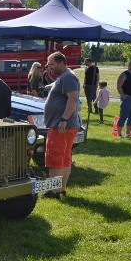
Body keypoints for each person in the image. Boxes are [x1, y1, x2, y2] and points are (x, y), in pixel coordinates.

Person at [42, 51, 81, 198]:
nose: (49, 67)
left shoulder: (68, 77)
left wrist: (63, 120)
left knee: (54, 158)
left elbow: (73, 99)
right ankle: (61, 188)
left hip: (61, 126)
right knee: (64, 158)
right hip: (65, 125)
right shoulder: (65, 77)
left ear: (61, 63)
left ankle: (53, 191)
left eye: (51, 64)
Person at [115, 60, 131, 138]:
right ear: (129, 66)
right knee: (123, 116)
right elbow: (119, 85)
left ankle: (128, 134)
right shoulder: (124, 74)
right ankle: (119, 134)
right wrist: (122, 95)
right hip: (127, 98)